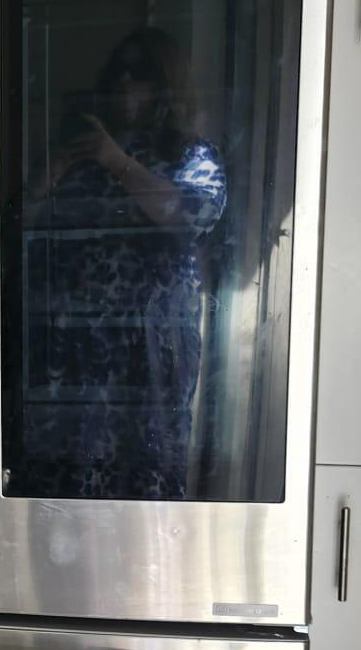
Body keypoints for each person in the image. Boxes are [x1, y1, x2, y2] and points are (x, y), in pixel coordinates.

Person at [19, 27, 227, 500]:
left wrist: (116, 160)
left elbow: (191, 214)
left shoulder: (191, 155)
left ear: (166, 85)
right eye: (118, 70)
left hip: (147, 347)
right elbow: (13, 236)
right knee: (65, 476)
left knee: (145, 470)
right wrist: (47, 177)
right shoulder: (77, 156)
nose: (125, 82)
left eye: (142, 73)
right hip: (71, 344)